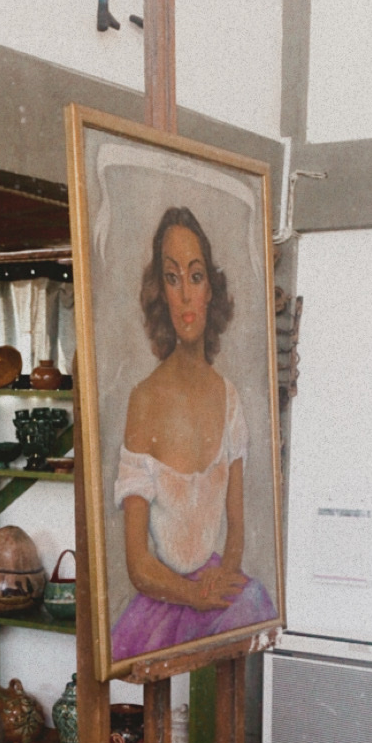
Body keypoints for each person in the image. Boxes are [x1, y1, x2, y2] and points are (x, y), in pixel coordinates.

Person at [111, 205, 277, 662]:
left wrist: (223, 578)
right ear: (160, 293)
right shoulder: (143, 400)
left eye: (196, 276)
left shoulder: (229, 398)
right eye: (172, 278)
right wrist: (192, 595)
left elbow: (236, 526)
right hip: (165, 600)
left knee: (253, 608)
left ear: (210, 291)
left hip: (217, 587)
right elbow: (138, 564)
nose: (185, 293)